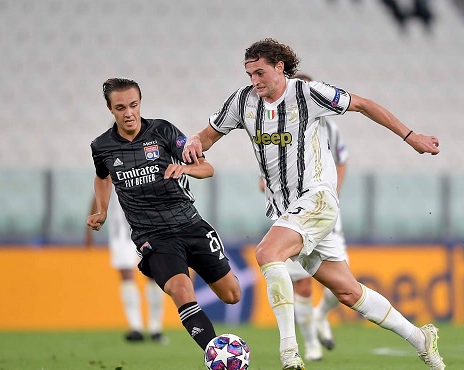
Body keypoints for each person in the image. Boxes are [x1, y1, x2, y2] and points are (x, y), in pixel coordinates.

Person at [183, 39, 445, 370]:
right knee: (348, 293)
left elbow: (363, 104)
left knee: (267, 253)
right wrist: (194, 141)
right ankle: (420, 338)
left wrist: (412, 137)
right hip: (287, 210)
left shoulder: (308, 94)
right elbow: (207, 135)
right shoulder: (243, 102)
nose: (254, 81)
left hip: (317, 198)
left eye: (260, 72)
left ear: (279, 67)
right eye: (250, 74)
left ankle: (290, 352)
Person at [87, 77, 242, 351]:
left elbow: (207, 168)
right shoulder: (102, 147)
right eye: (121, 107)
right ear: (110, 109)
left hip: (191, 225)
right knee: (181, 290)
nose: (129, 113)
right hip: (153, 237)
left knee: (232, 295)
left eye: (133, 105)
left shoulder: (163, 131)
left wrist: (186, 168)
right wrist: (101, 210)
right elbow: (102, 177)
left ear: (140, 103)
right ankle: (215, 353)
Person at [257, 73, 347, 362]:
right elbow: (265, 175)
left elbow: (343, 161)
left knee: (341, 286)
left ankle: (321, 316)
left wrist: (332, 192)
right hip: (292, 214)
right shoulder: (276, 125)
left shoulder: (329, 128)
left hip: (322, 208)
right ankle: (311, 345)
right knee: (303, 284)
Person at [87, 188, 168, 344]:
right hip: (121, 229)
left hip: (148, 225)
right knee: (127, 275)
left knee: (153, 275)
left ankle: (155, 328)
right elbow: (100, 190)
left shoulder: (150, 164)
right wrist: (90, 228)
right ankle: (135, 327)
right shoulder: (111, 164)